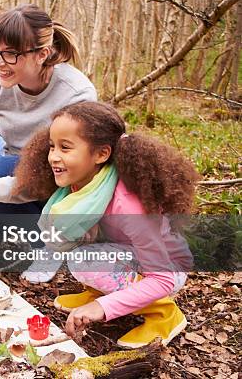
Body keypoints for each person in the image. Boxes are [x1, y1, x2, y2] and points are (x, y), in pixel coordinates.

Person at [13, 101, 198, 348]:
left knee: (87, 261)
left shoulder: (128, 205)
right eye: (52, 146)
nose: (53, 157)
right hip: (128, 254)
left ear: (101, 154)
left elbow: (161, 278)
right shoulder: (82, 185)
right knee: (80, 255)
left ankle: (164, 315)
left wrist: (102, 308)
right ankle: (101, 290)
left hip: (167, 269)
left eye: (65, 148)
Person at [0, 4, 97, 254]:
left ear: (42, 54)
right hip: (12, 169)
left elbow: (70, 172)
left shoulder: (76, 95)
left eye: (11, 54)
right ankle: (25, 233)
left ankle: (56, 239)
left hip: (57, 184)